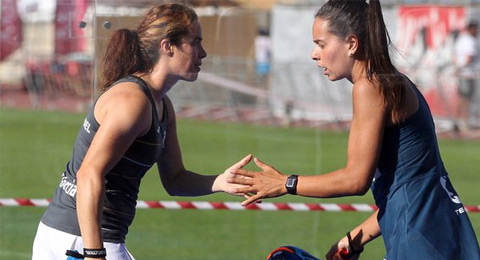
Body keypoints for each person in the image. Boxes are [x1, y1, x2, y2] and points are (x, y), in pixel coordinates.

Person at [228, 1, 480, 260]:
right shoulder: (394, 81)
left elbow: (355, 180)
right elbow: (407, 188)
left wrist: (285, 183)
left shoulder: (369, 87)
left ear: (351, 44)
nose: (314, 54)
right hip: (442, 230)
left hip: (419, 238)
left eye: (321, 44)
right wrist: (355, 238)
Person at [31, 3, 252, 260]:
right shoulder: (132, 101)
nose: (203, 53)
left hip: (89, 238)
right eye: (196, 42)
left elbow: (175, 179)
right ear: (168, 46)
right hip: (78, 239)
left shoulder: (161, 105)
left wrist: (220, 182)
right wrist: (93, 253)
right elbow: (88, 174)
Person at [454, 20, 478, 131]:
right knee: (466, 98)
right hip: (467, 74)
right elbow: (469, 57)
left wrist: (458, 68)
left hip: (462, 73)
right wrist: (460, 68)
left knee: (462, 98)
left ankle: (456, 120)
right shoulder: (470, 41)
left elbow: (454, 55)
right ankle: (463, 122)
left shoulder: (461, 39)